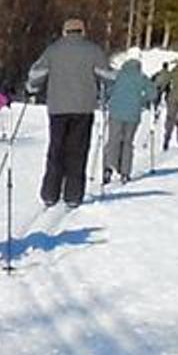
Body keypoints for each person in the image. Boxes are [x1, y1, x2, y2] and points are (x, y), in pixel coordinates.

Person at [23, 16, 107, 210]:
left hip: (58, 108)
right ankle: (73, 195)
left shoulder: (53, 50)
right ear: (83, 31)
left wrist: (31, 88)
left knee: (56, 149)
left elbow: (37, 74)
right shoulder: (93, 50)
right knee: (78, 151)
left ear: (64, 32)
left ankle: (50, 193)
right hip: (83, 108)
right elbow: (107, 75)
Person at [100, 46, 153, 186]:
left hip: (116, 112)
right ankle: (125, 173)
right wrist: (142, 100)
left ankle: (108, 169)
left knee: (113, 140)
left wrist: (105, 101)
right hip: (133, 114)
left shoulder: (118, 74)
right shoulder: (142, 77)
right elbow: (153, 93)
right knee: (128, 142)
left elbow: (108, 90)